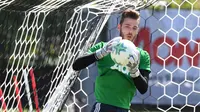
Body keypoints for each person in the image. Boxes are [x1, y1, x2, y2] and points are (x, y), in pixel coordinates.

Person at [72, 9, 151, 112]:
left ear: (137, 30)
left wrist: (134, 72)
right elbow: (76, 65)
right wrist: (100, 53)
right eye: (127, 26)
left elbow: (143, 89)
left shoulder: (142, 55)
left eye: (134, 28)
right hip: (103, 107)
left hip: (124, 109)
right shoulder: (104, 47)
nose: (130, 31)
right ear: (119, 27)